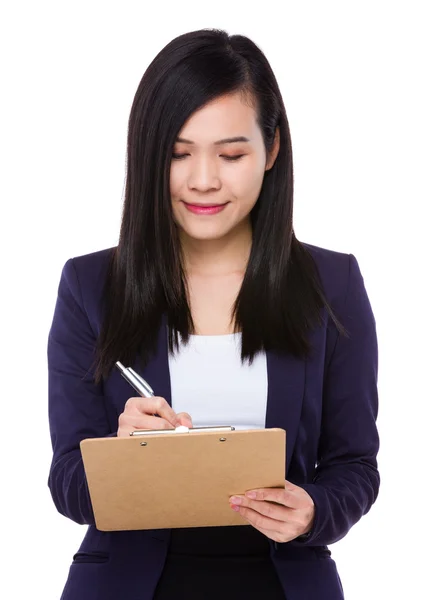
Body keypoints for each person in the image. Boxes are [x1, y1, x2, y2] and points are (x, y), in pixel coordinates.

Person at [47, 28, 380, 600]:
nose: (204, 180)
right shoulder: (90, 285)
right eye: (178, 154)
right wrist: (121, 461)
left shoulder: (332, 284)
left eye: (231, 154)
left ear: (272, 151)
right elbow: (67, 484)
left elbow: (355, 464)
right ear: (147, 156)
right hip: (128, 585)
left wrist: (313, 512)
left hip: (283, 581)